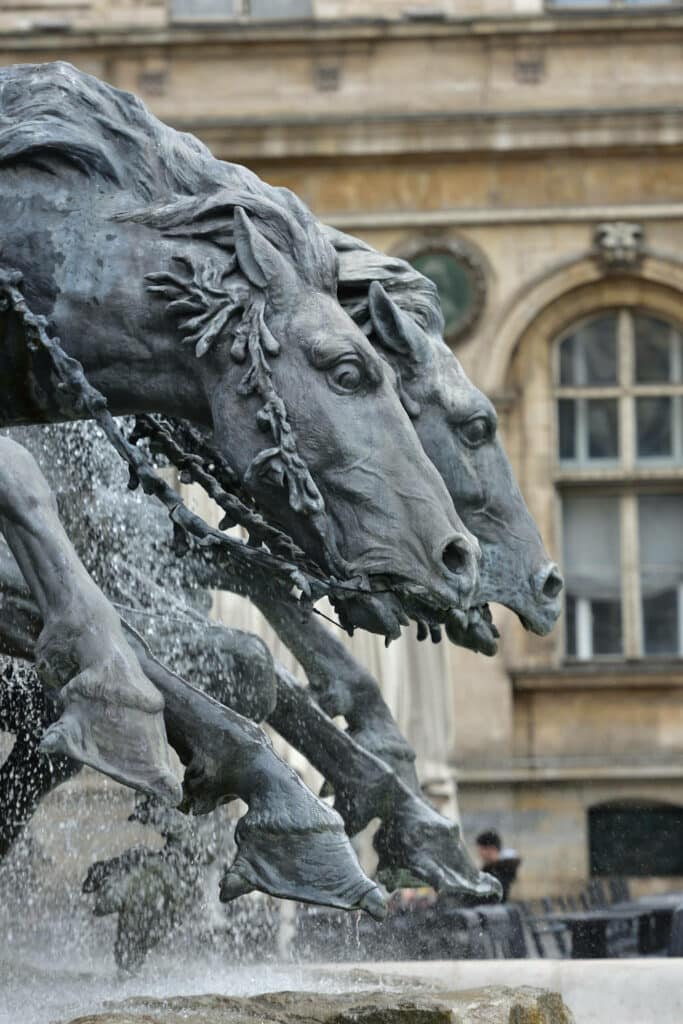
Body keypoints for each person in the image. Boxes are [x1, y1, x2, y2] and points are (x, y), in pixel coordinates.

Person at [476, 829, 521, 902]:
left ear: (491, 849)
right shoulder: (503, 868)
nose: (479, 853)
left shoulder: (499, 871)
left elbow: (492, 900)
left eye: (481, 849)